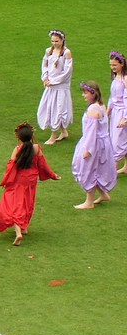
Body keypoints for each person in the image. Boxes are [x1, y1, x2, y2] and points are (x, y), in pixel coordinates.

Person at [0, 123, 60, 245]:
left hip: (18, 181)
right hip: (31, 181)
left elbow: (10, 167)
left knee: (14, 204)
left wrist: (5, 181)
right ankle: (24, 226)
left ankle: (18, 232)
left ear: (19, 137)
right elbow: (43, 165)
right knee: (27, 202)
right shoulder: (37, 148)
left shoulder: (17, 149)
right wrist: (53, 175)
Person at [72, 80, 118, 208]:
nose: (83, 95)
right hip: (103, 142)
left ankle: (89, 201)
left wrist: (88, 149)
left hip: (94, 143)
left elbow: (91, 133)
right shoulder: (101, 105)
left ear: (93, 93)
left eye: (86, 93)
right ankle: (103, 194)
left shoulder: (93, 110)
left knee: (88, 169)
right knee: (96, 169)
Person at [37, 30, 74, 144]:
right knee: (49, 107)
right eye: (52, 41)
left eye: (57, 41)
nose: (54, 43)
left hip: (60, 87)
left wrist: (53, 81)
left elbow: (67, 72)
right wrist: (45, 78)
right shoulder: (49, 51)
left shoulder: (66, 53)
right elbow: (45, 65)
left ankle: (53, 135)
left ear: (62, 40)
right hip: (50, 86)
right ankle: (63, 131)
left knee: (58, 109)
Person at [109, 51, 127, 174]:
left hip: (122, 112)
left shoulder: (125, 79)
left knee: (117, 142)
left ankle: (112, 171)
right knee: (118, 139)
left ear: (122, 64)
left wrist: (124, 118)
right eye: (111, 65)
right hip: (115, 112)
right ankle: (126, 167)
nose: (113, 67)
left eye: (115, 65)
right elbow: (113, 96)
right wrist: (108, 110)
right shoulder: (116, 77)